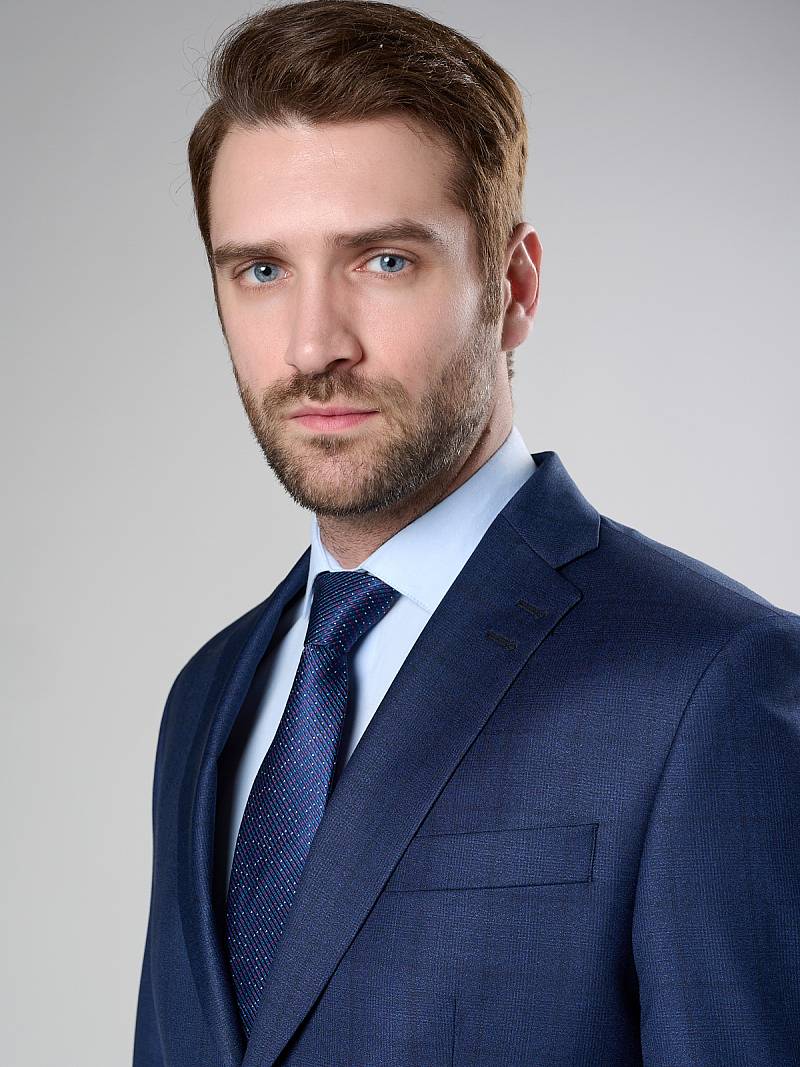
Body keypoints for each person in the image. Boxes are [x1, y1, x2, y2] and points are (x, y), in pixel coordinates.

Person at [132, 2, 800, 1064]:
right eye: (260, 270)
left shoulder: (707, 682)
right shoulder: (206, 696)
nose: (312, 345)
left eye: (383, 261)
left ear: (513, 286)